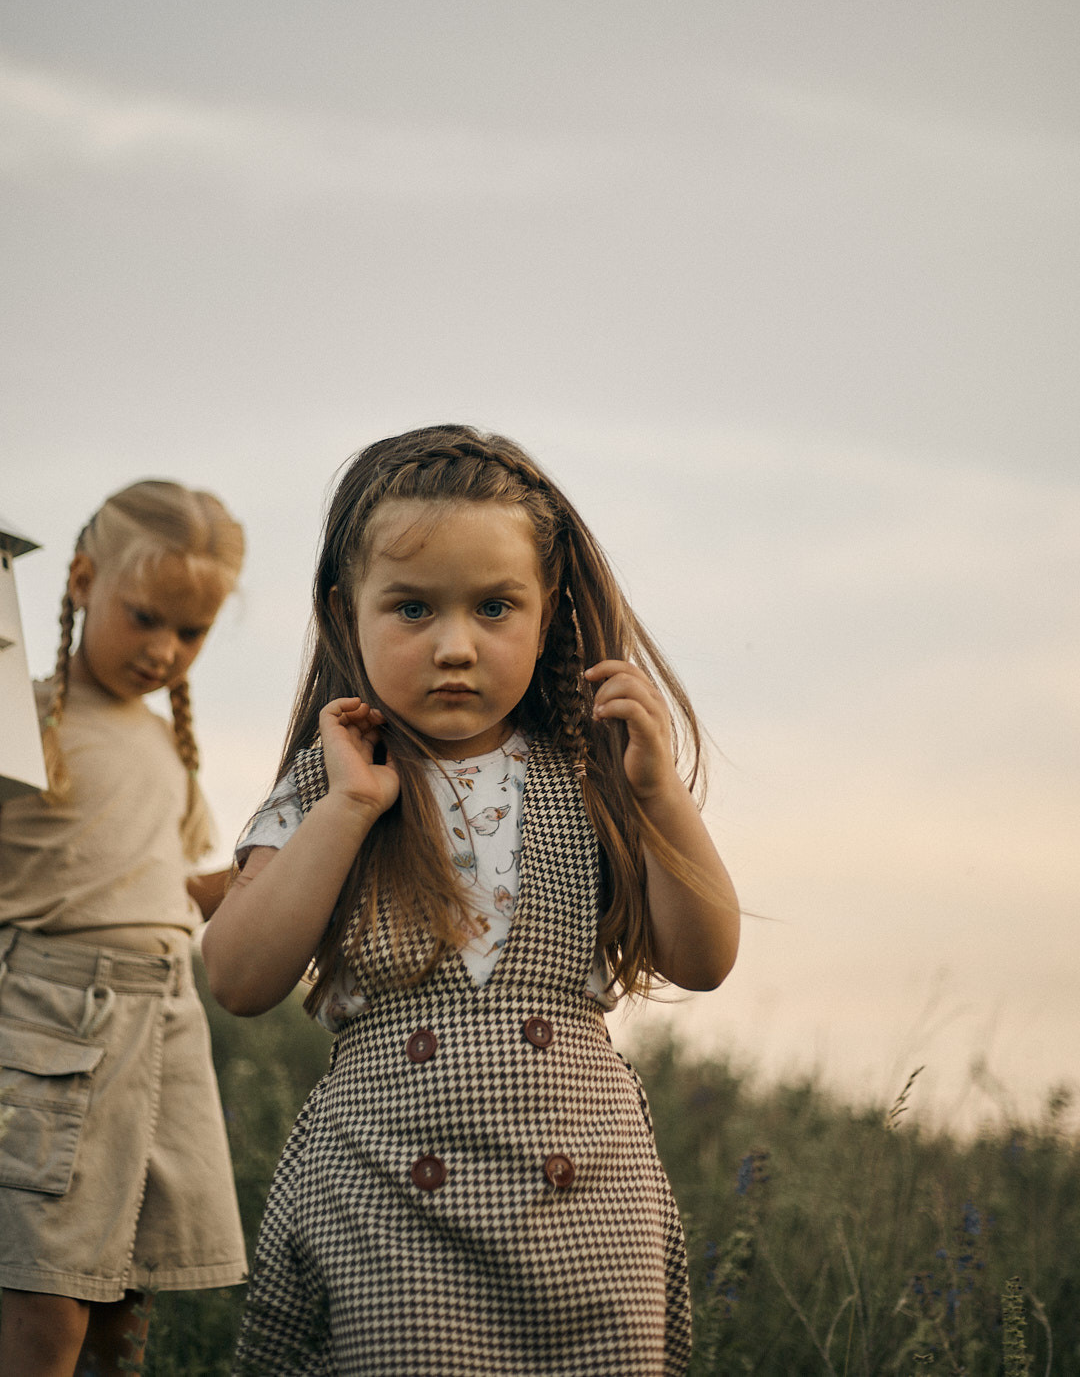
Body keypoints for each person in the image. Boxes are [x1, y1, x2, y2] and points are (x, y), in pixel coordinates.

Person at [202, 426, 740, 1377]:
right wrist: (348, 810)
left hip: (583, 1200)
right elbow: (239, 978)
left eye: (495, 607)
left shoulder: (593, 772)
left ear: (549, 612)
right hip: (388, 1196)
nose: (455, 647)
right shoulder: (330, 781)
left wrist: (659, 797)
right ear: (345, 612)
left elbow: (702, 959)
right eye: (411, 609)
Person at [0, 481, 248, 1377]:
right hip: (55, 1018)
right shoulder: (19, 718)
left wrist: (271, 870)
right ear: (79, 580)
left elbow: (169, 895)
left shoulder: (165, 747)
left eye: (190, 633)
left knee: (123, 1301)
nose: (164, 650)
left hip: (162, 1025)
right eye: (145, 618)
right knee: (46, 1293)